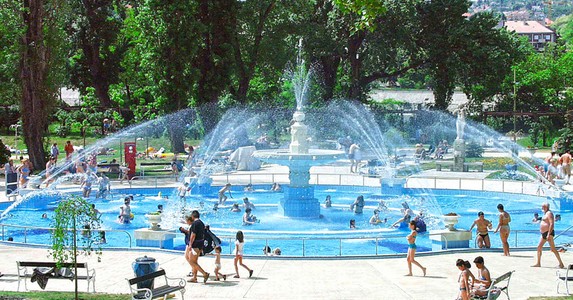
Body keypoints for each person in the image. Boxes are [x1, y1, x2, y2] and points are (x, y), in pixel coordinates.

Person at [532, 203, 565, 268]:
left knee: (553, 249)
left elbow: (551, 224)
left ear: (546, 207)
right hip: (544, 233)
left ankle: (561, 264)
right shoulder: (545, 213)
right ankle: (538, 263)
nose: (542, 208)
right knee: (539, 247)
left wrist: (549, 234)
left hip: (548, 233)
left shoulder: (549, 213)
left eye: (543, 207)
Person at [185, 211, 209, 283]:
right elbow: (203, 235)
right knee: (195, 262)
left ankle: (204, 273)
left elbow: (193, 235)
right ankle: (194, 277)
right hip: (199, 245)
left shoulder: (195, 224)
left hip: (194, 245)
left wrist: (190, 245)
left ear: (192, 216)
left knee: (192, 262)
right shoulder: (201, 223)